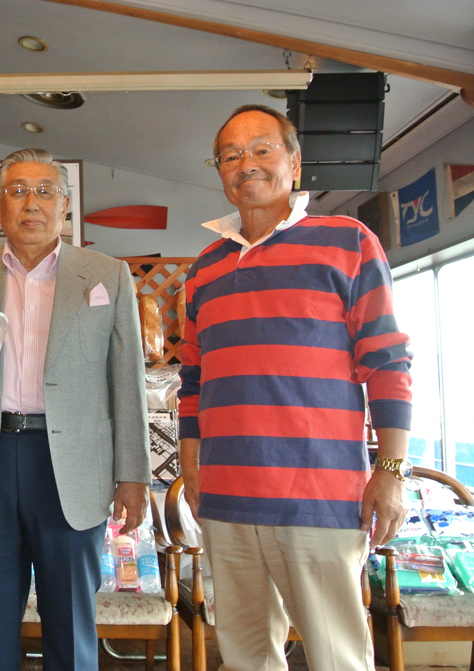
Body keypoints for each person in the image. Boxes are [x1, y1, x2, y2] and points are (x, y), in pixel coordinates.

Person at [178, 104, 413, 670]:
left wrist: (391, 470)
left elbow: (387, 362)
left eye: (262, 149)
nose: (246, 164)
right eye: (230, 155)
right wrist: (191, 467)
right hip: (227, 499)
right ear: (219, 171)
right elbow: (193, 378)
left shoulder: (348, 241)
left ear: (294, 162)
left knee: (336, 657)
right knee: (245, 655)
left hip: (320, 497)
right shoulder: (204, 268)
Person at [0, 148, 151, 671]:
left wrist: (132, 474)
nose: (31, 203)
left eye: (44, 191)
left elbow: (127, 380)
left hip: (72, 466)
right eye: (16, 191)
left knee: (71, 620)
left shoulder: (107, 275)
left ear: (65, 205)